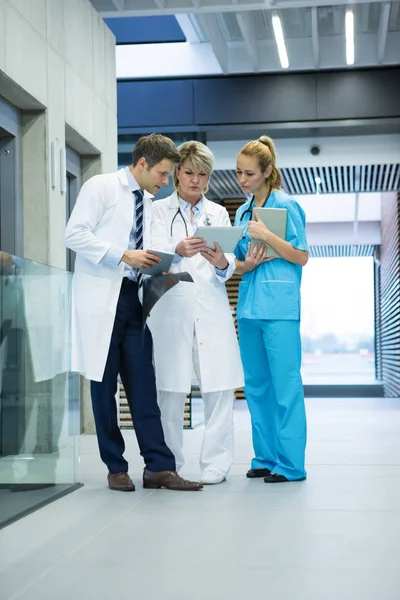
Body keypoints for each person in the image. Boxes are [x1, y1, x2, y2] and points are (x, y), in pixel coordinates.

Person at [65, 134, 203, 492]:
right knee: (104, 386)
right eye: (161, 173)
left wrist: (160, 262)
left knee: (143, 383)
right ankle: (116, 466)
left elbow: (148, 247)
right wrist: (123, 254)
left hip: (133, 299)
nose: (165, 181)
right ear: (142, 164)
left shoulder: (145, 199)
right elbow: (74, 235)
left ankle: (159, 466)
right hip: (101, 300)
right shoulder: (102, 187)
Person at [148, 141, 244, 485]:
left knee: (218, 388)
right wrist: (175, 249)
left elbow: (229, 263)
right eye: (189, 172)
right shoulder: (157, 210)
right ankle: (169, 460)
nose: (195, 180)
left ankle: (217, 462)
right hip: (171, 307)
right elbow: (150, 258)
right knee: (170, 389)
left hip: (211, 306)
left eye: (202, 174)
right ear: (177, 172)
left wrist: (222, 263)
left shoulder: (217, 213)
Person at [233, 136, 309, 483]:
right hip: (248, 307)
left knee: (286, 386)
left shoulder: (287, 206)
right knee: (257, 386)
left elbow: (301, 256)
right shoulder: (242, 211)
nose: (243, 180)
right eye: (238, 173)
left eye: (249, 173)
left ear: (266, 172)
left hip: (279, 308)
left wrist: (267, 235)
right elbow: (238, 260)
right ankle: (264, 457)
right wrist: (236, 261)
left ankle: (291, 465)